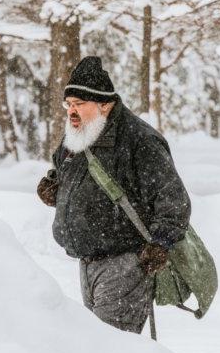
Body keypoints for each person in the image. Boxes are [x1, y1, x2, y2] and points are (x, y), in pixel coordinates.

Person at [37, 56, 191, 334]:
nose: (71, 112)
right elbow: (65, 174)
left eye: (79, 105)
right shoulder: (77, 134)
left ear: (104, 105)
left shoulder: (139, 140)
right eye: (68, 104)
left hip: (125, 263)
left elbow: (172, 198)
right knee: (99, 349)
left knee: (109, 351)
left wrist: (161, 243)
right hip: (86, 262)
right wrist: (53, 190)